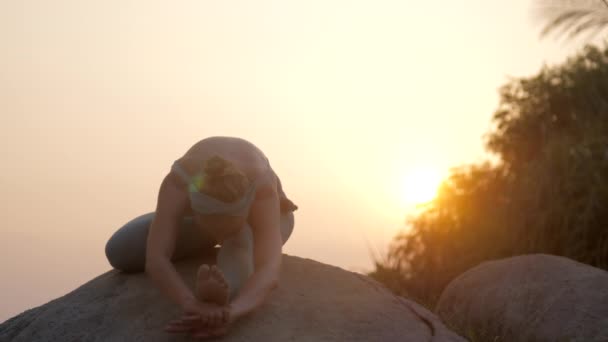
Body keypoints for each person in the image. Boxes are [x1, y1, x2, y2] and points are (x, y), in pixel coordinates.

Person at [104, 136, 298, 338]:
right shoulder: (180, 180)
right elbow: (157, 258)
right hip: (198, 220)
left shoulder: (262, 188)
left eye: (227, 227)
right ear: (195, 211)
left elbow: (268, 268)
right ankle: (219, 250)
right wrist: (191, 303)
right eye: (215, 229)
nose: (219, 236)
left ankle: (226, 288)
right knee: (120, 251)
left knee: (241, 242)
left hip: (267, 220)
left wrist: (231, 313)